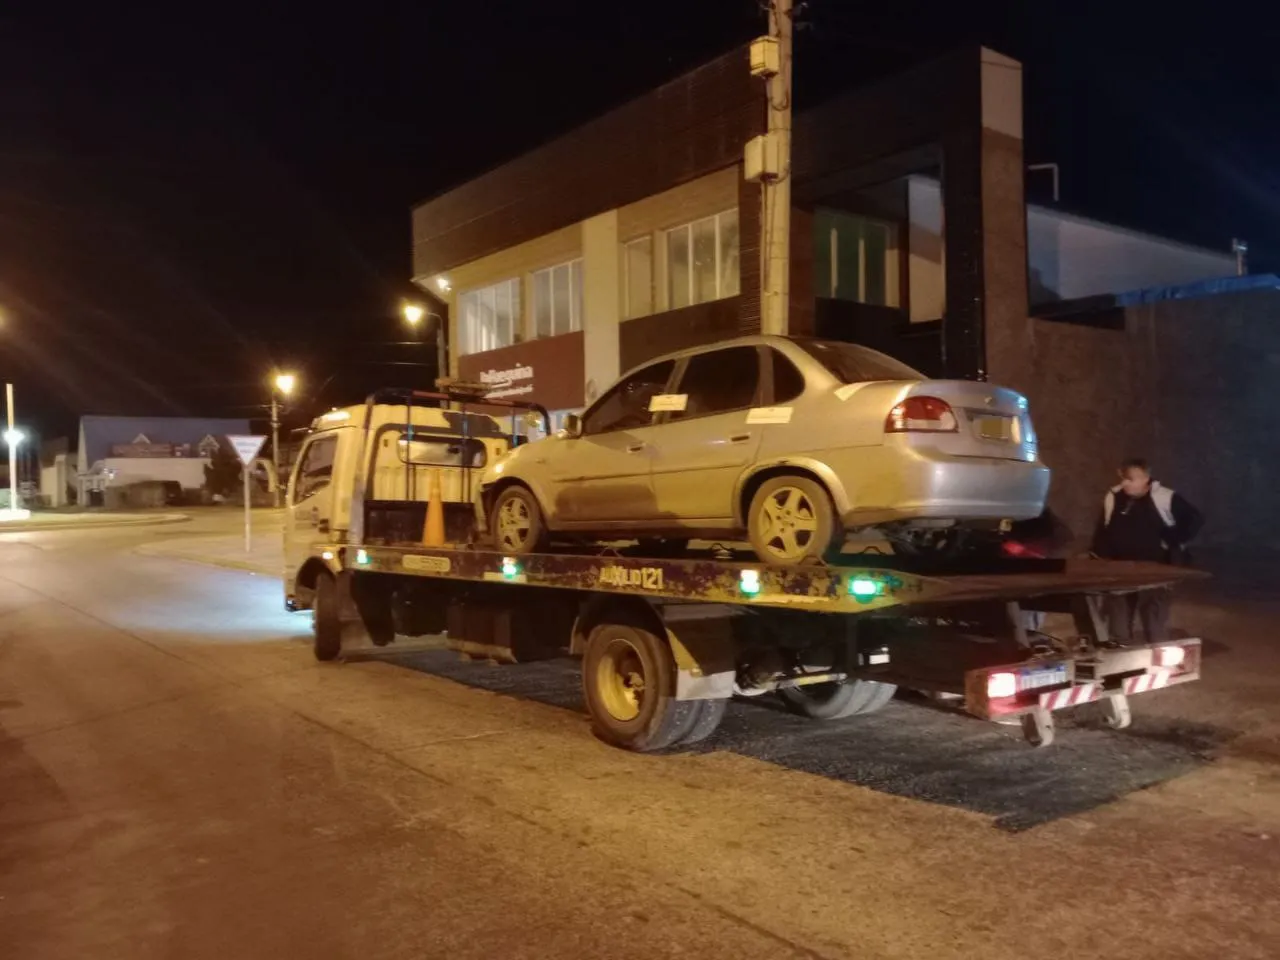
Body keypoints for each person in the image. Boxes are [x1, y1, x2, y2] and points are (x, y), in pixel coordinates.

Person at [1091, 458, 1203, 643]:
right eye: (1123, 479)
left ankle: (1157, 652)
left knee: (1154, 615)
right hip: (1120, 569)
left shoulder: (1165, 497)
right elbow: (1103, 528)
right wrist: (1099, 556)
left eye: (1130, 479)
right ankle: (1120, 652)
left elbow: (1195, 519)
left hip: (1156, 569)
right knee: (1118, 616)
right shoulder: (1113, 496)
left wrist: (1172, 538)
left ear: (1145, 478)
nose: (1124, 483)